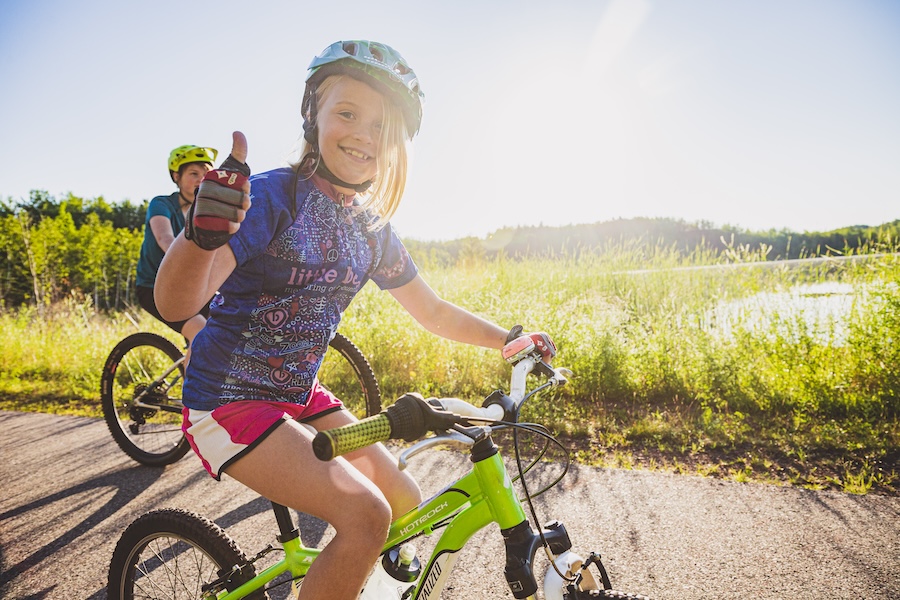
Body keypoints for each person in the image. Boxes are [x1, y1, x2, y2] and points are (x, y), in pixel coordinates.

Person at [154, 40, 556, 600]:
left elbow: (432, 310)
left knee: (403, 498)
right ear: (312, 114)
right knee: (366, 516)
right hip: (228, 399)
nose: (364, 133)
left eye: (381, 125)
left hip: (301, 395)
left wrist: (508, 341)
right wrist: (200, 238)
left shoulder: (370, 229)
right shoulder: (270, 198)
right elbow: (176, 304)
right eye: (347, 113)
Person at [135, 144, 218, 346]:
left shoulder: (208, 213)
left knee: (227, 327)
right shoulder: (161, 204)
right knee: (200, 331)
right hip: (154, 286)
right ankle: (194, 378)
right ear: (176, 177)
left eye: (206, 173)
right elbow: (165, 239)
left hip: (193, 287)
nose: (201, 178)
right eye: (193, 173)